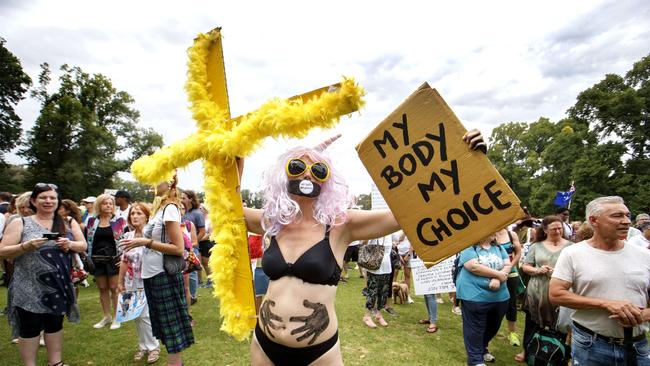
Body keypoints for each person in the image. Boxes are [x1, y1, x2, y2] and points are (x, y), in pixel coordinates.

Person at [244, 129, 487, 365]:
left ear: (327, 180)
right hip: (265, 345)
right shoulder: (272, 221)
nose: (308, 176)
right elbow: (226, 202)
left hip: (318, 353)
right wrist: (234, 149)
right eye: (297, 167)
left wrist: (468, 161)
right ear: (284, 175)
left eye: (318, 170)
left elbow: (412, 211)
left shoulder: (341, 225)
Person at [549, 196, 650, 365]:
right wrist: (605, 304)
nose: (626, 221)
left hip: (637, 345)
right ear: (593, 220)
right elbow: (556, 294)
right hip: (590, 344)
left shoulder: (644, 255)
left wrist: (642, 315)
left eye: (627, 215)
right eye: (617, 216)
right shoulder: (573, 253)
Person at [0, 183, 86, 366]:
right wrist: (26, 246)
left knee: (55, 324)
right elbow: (3, 251)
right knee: (30, 327)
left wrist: (69, 245)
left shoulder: (67, 222)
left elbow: (83, 245)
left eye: (52, 198)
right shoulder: (20, 222)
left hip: (58, 284)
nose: (48, 201)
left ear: (58, 201)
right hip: (28, 286)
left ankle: (55, 362)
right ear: (33, 201)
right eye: (43, 198)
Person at [120, 176, 194, 366]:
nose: (152, 183)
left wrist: (144, 242)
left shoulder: (170, 208)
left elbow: (178, 248)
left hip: (163, 274)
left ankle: (175, 364)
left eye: (157, 179)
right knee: (162, 325)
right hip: (151, 274)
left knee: (171, 327)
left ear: (169, 183)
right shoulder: (159, 208)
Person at [514, 216, 571, 363]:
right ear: (545, 230)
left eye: (560, 228)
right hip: (537, 290)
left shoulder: (571, 246)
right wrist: (537, 270)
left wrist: (559, 272)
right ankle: (527, 349)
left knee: (559, 323)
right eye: (554, 229)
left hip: (559, 290)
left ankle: (558, 352)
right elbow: (525, 266)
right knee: (532, 321)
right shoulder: (536, 246)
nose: (558, 231)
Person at [456, 232, 511, 366]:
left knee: (493, 326)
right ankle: (475, 360)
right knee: (475, 328)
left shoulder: (499, 248)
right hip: (474, 295)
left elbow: (507, 264)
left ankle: (482, 348)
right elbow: (474, 267)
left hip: (500, 296)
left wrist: (497, 278)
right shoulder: (469, 248)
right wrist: (499, 275)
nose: (495, 233)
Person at [117, 202, 161, 364]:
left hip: (148, 281)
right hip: (131, 281)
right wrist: (120, 281)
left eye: (139, 213)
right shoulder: (128, 235)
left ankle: (153, 347)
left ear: (147, 216)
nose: (135, 216)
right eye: (132, 213)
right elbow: (124, 260)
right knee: (135, 315)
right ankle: (143, 345)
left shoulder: (152, 236)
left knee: (145, 316)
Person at [85, 193, 128, 330]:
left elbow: (125, 240)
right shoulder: (92, 221)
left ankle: (117, 317)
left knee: (114, 288)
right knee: (102, 288)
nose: (108, 205)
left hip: (114, 259)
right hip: (97, 259)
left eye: (110, 203)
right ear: (99, 205)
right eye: (105, 203)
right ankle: (106, 316)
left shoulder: (119, 221)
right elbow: (88, 240)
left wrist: (122, 258)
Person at [495, 227, 522, 348]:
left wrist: (509, 267)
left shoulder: (512, 235)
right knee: (492, 304)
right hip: (492, 273)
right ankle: (490, 331)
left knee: (511, 304)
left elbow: (518, 253)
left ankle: (512, 333)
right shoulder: (488, 233)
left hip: (511, 273)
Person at [362, 236, 393, 328]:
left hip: (386, 267)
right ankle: (367, 316)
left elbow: (400, 238)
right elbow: (364, 242)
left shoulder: (390, 233)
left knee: (383, 292)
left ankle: (378, 314)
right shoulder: (375, 231)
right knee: (372, 292)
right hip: (374, 267)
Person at [180, 189, 204, 304]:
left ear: (190, 199)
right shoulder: (181, 212)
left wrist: (191, 244)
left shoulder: (197, 214)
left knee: (192, 271)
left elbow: (202, 231)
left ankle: (193, 295)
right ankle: (186, 293)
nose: (181, 200)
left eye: (184, 198)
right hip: (181, 247)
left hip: (191, 246)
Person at [197, 203, 214, 288]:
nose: (199, 210)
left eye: (201, 208)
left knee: (206, 262)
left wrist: (198, 239)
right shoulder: (200, 219)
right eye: (199, 208)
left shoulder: (210, 220)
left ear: (205, 209)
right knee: (201, 262)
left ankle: (210, 279)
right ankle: (201, 281)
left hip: (207, 243)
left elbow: (210, 234)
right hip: (199, 242)